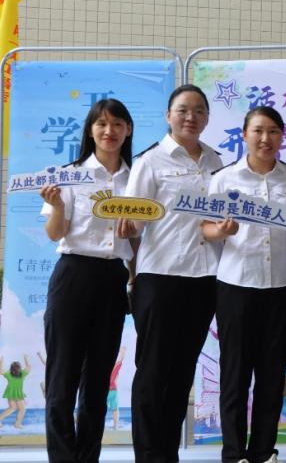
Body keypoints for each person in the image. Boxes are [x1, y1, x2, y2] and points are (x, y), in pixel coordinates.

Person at [120, 84, 224, 463]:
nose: (190, 117)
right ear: (168, 116)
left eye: (198, 111)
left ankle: (167, 453)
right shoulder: (150, 161)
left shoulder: (217, 161)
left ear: (207, 118)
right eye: (182, 110)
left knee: (182, 371)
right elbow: (133, 223)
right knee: (152, 371)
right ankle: (149, 456)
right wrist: (128, 242)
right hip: (159, 277)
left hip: (205, 278)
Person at [201, 106, 286, 463]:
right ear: (244, 134)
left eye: (273, 131)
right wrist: (222, 230)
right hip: (236, 286)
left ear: (282, 136)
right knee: (235, 373)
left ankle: (262, 451)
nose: (265, 138)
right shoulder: (224, 178)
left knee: (272, 375)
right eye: (258, 131)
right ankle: (234, 454)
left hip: (281, 287)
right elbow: (206, 228)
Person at [39, 98, 134, 461]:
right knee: (62, 378)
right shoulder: (70, 174)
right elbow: (55, 233)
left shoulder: (136, 178)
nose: (110, 131)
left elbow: (138, 241)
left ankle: (87, 456)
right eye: (102, 124)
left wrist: (134, 279)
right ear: (91, 131)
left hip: (113, 279)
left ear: (128, 130)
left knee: (97, 382)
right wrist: (58, 207)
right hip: (73, 276)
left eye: (117, 124)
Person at [0, 355, 32, 429]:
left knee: (12, 408)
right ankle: (17, 424)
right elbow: (29, 367)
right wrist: (25, 358)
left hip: (10, 392)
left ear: (11, 368)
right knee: (22, 409)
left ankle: (16, 424)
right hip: (18, 393)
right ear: (19, 368)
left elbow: (0, 371)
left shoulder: (9, 374)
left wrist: (1, 361)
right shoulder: (22, 374)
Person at [108, 346, 126, 430]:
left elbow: (121, 358)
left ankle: (115, 425)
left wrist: (122, 351)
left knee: (114, 409)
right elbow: (121, 358)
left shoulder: (115, 367)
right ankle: (116, 425)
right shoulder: (115, 366)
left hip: (110, 391)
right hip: (112, 390)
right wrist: (122, 351)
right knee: (115, 409)